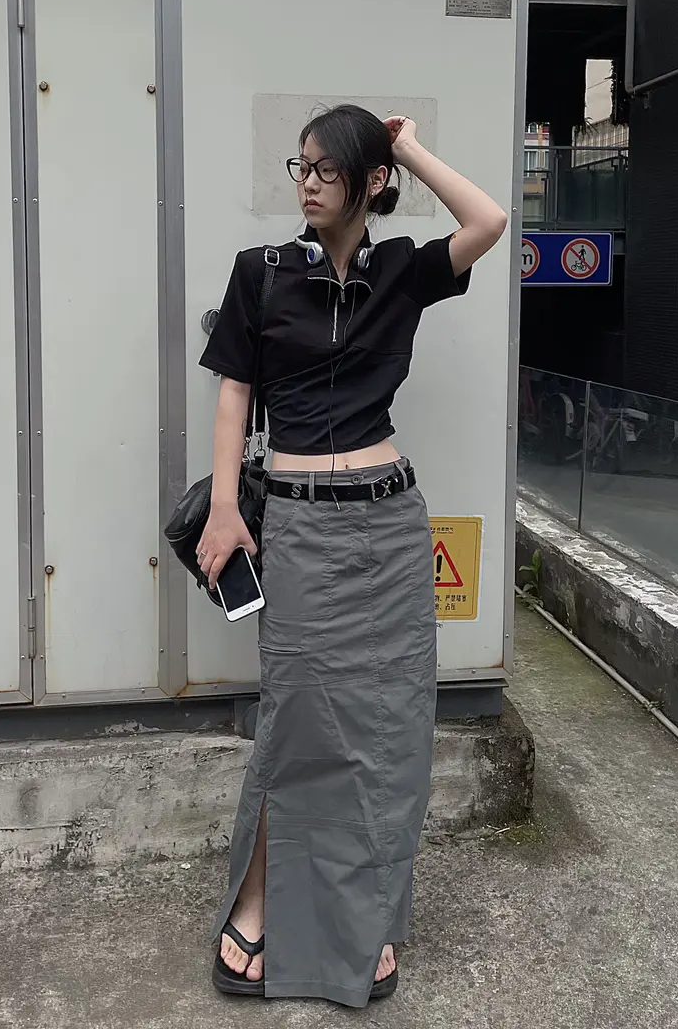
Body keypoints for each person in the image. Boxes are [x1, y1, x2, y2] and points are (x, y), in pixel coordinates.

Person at [196, 104, 507, 1007]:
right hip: (298, 525)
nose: (306, 183)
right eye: (300, 167)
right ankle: (258, 905)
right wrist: (226, 509)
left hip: (391, 526)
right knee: (297, 725)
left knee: (389, 735)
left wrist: (404, 145)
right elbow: (234, 394)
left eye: (326, 169)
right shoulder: (261, 273)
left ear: (371, 182)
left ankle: (369, 918)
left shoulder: (403, 270)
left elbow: (488, 220)